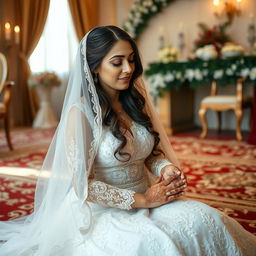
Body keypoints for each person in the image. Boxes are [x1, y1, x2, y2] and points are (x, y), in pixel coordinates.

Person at [0, 25, 255, 256]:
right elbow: (82, 187)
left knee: (208, 220)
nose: (128, 69)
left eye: (131, 60)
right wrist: (144, 201)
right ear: (95, 66)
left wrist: (166, 168)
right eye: (117, 62)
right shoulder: (80, 115)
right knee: (146, 246)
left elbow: (151, 153)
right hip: (102, 211)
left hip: (150, 196)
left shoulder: (134, 102)